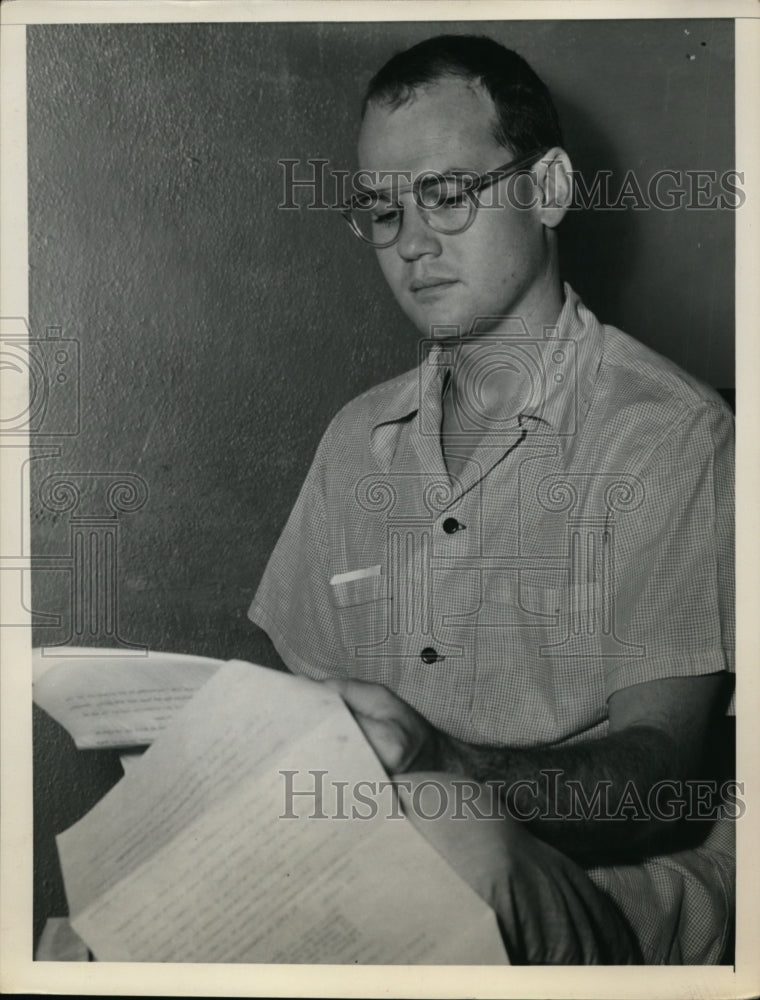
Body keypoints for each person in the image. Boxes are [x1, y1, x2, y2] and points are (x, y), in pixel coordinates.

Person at [249, 35, 735, 964]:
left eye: (446, 193)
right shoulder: (358, 438)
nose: (413, 243)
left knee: (448, 842)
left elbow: (653, 788)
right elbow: (300, 712)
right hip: (377, 870)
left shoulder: (674, 434)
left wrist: (440, 768)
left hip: (602, 890)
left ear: (549, 190)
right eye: (382, 211)